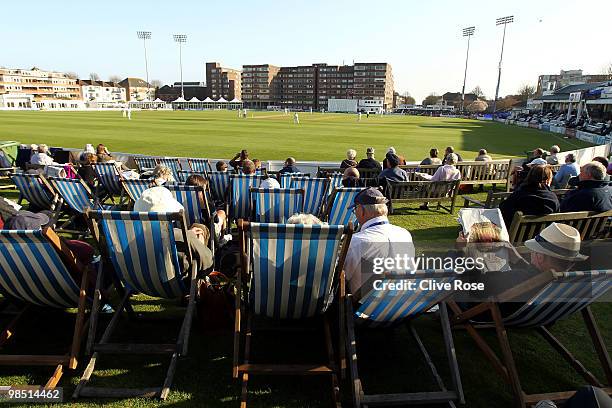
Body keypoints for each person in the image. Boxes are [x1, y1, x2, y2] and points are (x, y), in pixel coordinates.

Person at [343, 188, 415, 296]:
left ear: (361, 211)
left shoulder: (357, 241)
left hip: (366, 305)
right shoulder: (404, 234)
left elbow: (343, 275)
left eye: (355, 210)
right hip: (402, 301)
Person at [134, 187, 213, 275]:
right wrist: (192, 238)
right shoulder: (177, 236)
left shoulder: (130, 238)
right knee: (200, 229)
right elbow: (208, 263)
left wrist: (189, 233)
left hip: (143, 281)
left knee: (197, 228)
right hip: (178, 282)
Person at [185, 174, 228, 243]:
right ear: (202, 190)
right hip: (205, 231)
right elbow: (216, 220)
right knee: (222, 213)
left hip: (187, 228)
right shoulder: (206, 205)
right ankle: (221, 239)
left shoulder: (181, 202)